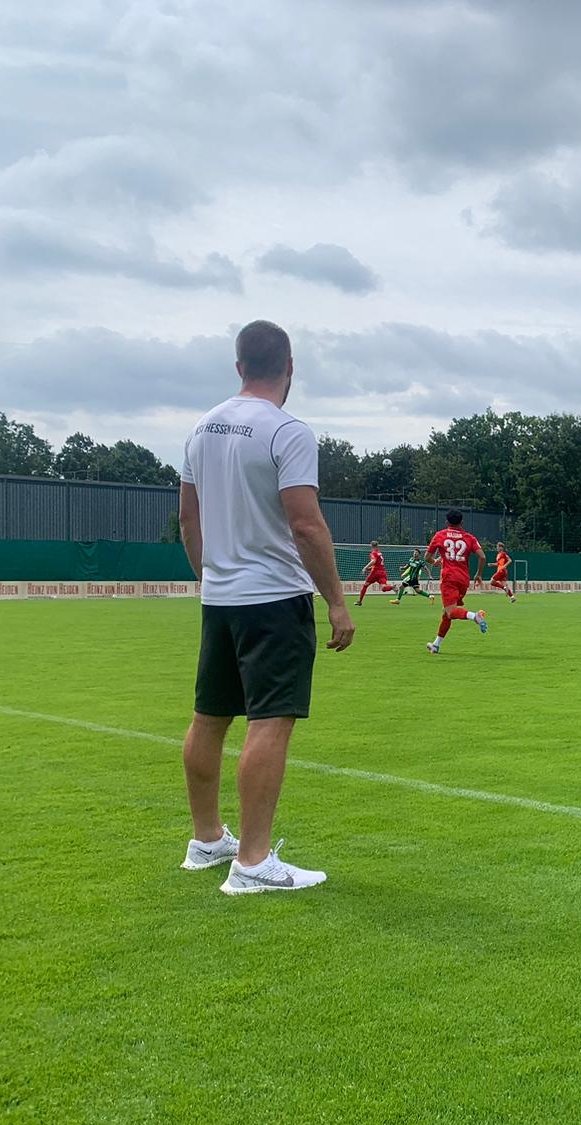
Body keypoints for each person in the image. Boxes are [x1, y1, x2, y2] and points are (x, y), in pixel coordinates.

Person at [177, 319, 352, 896]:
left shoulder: (201, 429)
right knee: (270, 722)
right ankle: (252, 863)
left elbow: (188, 519)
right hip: (274, 598)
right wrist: (337, 602)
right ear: (290, 367)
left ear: (239, 366)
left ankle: (207, 840)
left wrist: (211, 577)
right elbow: (306, 524)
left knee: (209, 717)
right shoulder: (287, 431)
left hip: (220, 598)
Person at [425, 509, 488, 653]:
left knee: (451, 611)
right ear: (462, 522)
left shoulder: (440, 535)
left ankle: (475, 616)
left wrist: (436, 561)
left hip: (449, 578)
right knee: (446, 613)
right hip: (463, 579)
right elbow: (482, 557)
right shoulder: (469, 537)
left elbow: (427, 557)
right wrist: (478, 574)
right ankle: (436, 645)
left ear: (447, 522)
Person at [356, 539, 390, 605]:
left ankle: (360, 601)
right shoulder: (380, 553)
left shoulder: (373, 553)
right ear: (377, 546)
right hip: (382, 572)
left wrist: (365, 567)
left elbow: (373, 561)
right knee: (384, 588)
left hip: (375, 573)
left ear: (371, 546)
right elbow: (377, 564)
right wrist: (369, 568)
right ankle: (393, 587)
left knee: (365, 585)